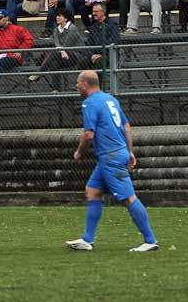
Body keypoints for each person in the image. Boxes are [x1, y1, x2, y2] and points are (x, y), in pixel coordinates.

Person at [65, 70, 159, 252]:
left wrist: (79, 152)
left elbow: (88, 134)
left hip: (110, 157)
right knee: (92, 191)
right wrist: (129, 151)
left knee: (128, 198)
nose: (76, 86)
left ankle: (150, 240)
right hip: (115, 154)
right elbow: (126, 125)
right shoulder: (110, 100)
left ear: (84, 84)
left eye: (78, 83)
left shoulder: (89, 103)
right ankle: (87, 240)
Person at [30, 7, 86, 91]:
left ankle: (39, 73)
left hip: (76, 55)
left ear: (66, 18)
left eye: (60, 16)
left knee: (54, 53)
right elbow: (57, 43)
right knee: (54, 64)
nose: (57, 17)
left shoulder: (72, 28)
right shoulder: (56, 30)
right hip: (63, 55)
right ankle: (56, 90)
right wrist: (62, 51)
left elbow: (67, 44)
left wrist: (62, 50)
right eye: (57, 16)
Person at [0, 12, 34, 94]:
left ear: (7, 18)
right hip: (0, 57)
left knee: (1, 63)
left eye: (0, 18)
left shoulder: (17, 29)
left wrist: (20, 50)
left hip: (14, 57)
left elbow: (29, 40)